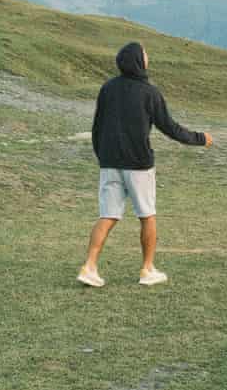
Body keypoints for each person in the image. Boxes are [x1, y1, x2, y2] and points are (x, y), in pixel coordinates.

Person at [77, 41, 212, 288]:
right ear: (139, 61)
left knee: (107, 215)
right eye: (145, 55)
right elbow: (170, 128)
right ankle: (147, 269)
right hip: (139, 165)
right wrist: (200, 139)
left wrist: (103, 156)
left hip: (109, 163)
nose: (148, 58)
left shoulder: (107, 88)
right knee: (147, 215)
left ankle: (89, 266)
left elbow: (97, 126)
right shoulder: (149, 92)